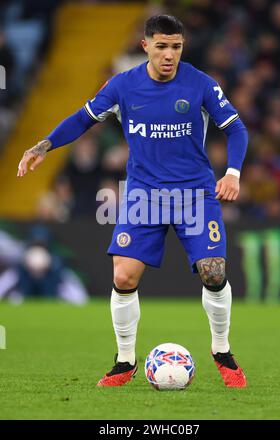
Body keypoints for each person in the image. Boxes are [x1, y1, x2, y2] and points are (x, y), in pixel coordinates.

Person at [17, 15, 248, 388]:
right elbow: (82, 118)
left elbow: (235, 128)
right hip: (144, 195)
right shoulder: (123, 86)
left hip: (194, 193)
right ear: (146, 46)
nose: (169, 54)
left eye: (176, 46)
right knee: (123, 276)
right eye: (161, 46)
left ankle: (221, 351)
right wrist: (44, 145)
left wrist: (233, 173)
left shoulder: (201, 84)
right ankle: (125, 361)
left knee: (213, 271)